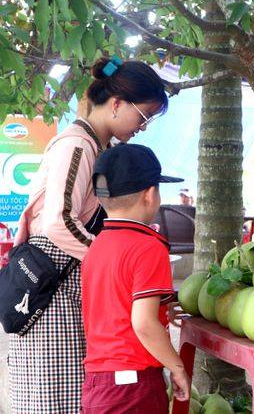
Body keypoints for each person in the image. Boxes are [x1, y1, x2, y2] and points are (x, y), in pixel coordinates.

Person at [8, 56, 168, 413]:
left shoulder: (99, 148)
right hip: (53, 291)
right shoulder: (77, 146)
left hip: (65, 283)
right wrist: (113, 261)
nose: (142, 127)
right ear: (117, 104)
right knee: (55, 397)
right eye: (143, 116)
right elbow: (57, 222)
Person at [81, 143, 189, 412]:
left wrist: (163, 308)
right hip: (135, 389)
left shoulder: (96, 246)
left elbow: (115, 307)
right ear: (150, 195)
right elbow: (142, 323)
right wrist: (176, 366)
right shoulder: (149, 247)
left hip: (98, 385)